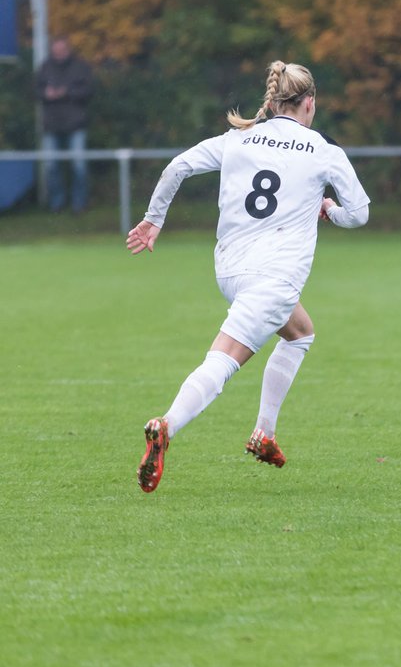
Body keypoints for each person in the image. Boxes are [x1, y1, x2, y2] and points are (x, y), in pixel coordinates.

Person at [127, 61, 371, 493]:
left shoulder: (237, 137)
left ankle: (264, 432)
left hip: (231, 269)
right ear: (309, 103)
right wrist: (329, 209)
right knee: (221, 362)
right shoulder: (322, 149)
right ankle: (167, 424)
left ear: (273, 99)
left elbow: (177, 167)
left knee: (300, 333)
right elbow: (359, 214)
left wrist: (152, 220)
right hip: (275, 276)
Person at [35, 36, 95, 214]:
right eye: (56, 51)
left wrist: (67, 93)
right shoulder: (45, 67)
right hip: (51, 125)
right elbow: (34, 90)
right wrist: (46, 94)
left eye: (61, 50)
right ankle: (57, 204)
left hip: (75, 124)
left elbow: (89, 91)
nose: (58, 54)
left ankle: (79, 204)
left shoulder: (80, 67)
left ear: (68, 49)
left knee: (79, 166)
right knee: (51, 166)